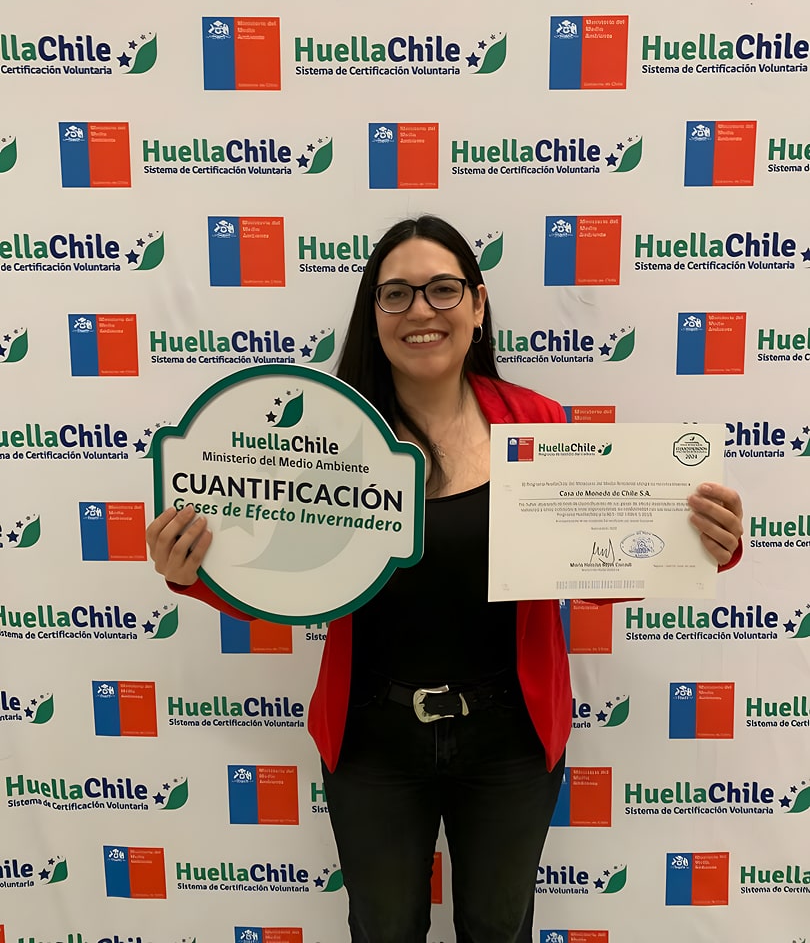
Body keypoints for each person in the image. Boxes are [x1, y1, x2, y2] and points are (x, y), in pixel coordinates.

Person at [147, 215, 744, 943]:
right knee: (383, 930)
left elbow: (596, 563)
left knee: (499, 928)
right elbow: (282, 575)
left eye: (442, 289)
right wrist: (193, 573)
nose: (420, 310)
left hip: (511, 739)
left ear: (478, 304)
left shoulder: (537, 424)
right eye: (396, 294)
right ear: (373, 314)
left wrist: (699, 543)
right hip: (371, 739)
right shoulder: (323, 434)